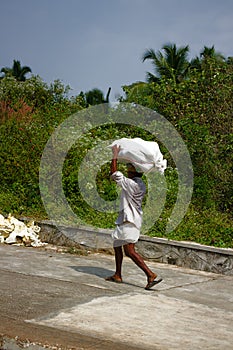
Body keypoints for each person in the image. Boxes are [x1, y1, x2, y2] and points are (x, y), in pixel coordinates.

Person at [105, 144, 162, 290]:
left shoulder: (131, 184)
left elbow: (114, 173)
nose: (127, 171)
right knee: (117, 244)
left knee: (129, 251)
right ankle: (118, 274)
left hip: (130, 220)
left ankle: (150, 274)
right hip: (127, 219)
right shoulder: (140, 183)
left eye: (129, 169)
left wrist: (115, 155)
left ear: (132, 173)